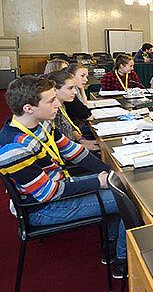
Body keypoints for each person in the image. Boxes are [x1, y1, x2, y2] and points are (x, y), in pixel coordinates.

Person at [0, 76, 127, 277]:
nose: (58, 104)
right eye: (51, 100)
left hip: (59, 186)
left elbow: (75, 152)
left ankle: (111, 249)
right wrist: (98, 182)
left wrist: (111, 174)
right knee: (128, 201)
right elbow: (48, 192)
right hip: (43, 207)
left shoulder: (42, 123)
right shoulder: (14, 147)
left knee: (121, 187)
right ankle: (122, 262)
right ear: (28, 108)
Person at [46, 70, 99, 152]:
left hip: (73, 145)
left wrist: (81, 140)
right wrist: (83, 146)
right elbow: (57, 144)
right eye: (70, 88)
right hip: (67, 152)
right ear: (54, 90)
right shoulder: (52, 112)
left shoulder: (62, 105)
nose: (75, 92)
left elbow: (69, 128)